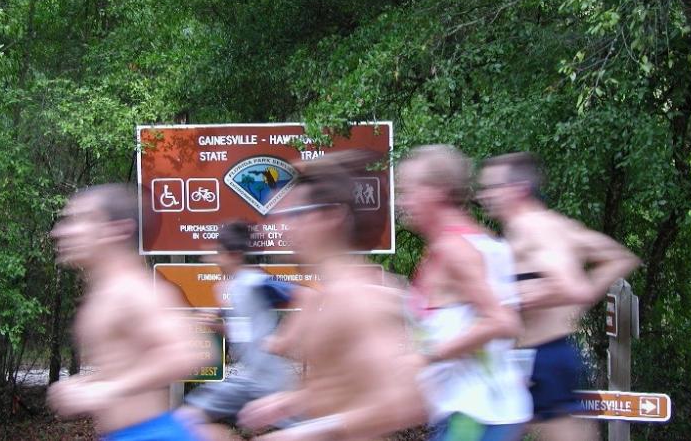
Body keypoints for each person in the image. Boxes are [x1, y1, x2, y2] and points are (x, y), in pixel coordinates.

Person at [237, 153, 427, 441]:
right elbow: (352, 385)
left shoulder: (357, 298)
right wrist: (291, 402)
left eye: (294, 215)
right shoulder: (328, 294)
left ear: (331, 215)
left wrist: (302, 433)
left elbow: (406, 402)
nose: (282, 227)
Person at [477, 152, 640, 441]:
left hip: (543, 357)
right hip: (546, 355)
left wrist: (518, 297)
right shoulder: (558, 226)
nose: (484, 195)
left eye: (492, 187)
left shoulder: (531, 227)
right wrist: (585, 294)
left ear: (518, 189)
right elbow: (619, 257)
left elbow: (570, 286)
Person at [47, 184, 212, 441]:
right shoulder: (107, 293)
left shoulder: (134, 289)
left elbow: (187, 352)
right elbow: (129, 362)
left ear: (117, 230)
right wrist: (91, 382)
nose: (61, 232)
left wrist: (108, 389)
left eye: (79, 220)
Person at [397, 145, 532, 441]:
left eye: (408, 191)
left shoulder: (454, 250)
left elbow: (504, 321)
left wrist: (425, 357)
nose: (401, 201)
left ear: (438, 192)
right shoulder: (482, 241)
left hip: (474, 416)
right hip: (488, 409)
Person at [180, 221, 297, 438]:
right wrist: (214, 325)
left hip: (272, 381)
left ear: (234, 255)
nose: (214, 259)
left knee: (305, 432)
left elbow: (306, 296)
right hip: (247, 378)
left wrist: (283, 339)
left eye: (219, 253)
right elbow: (241, 334)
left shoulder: (256, 281)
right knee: (187, 418)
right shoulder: (229, 287)